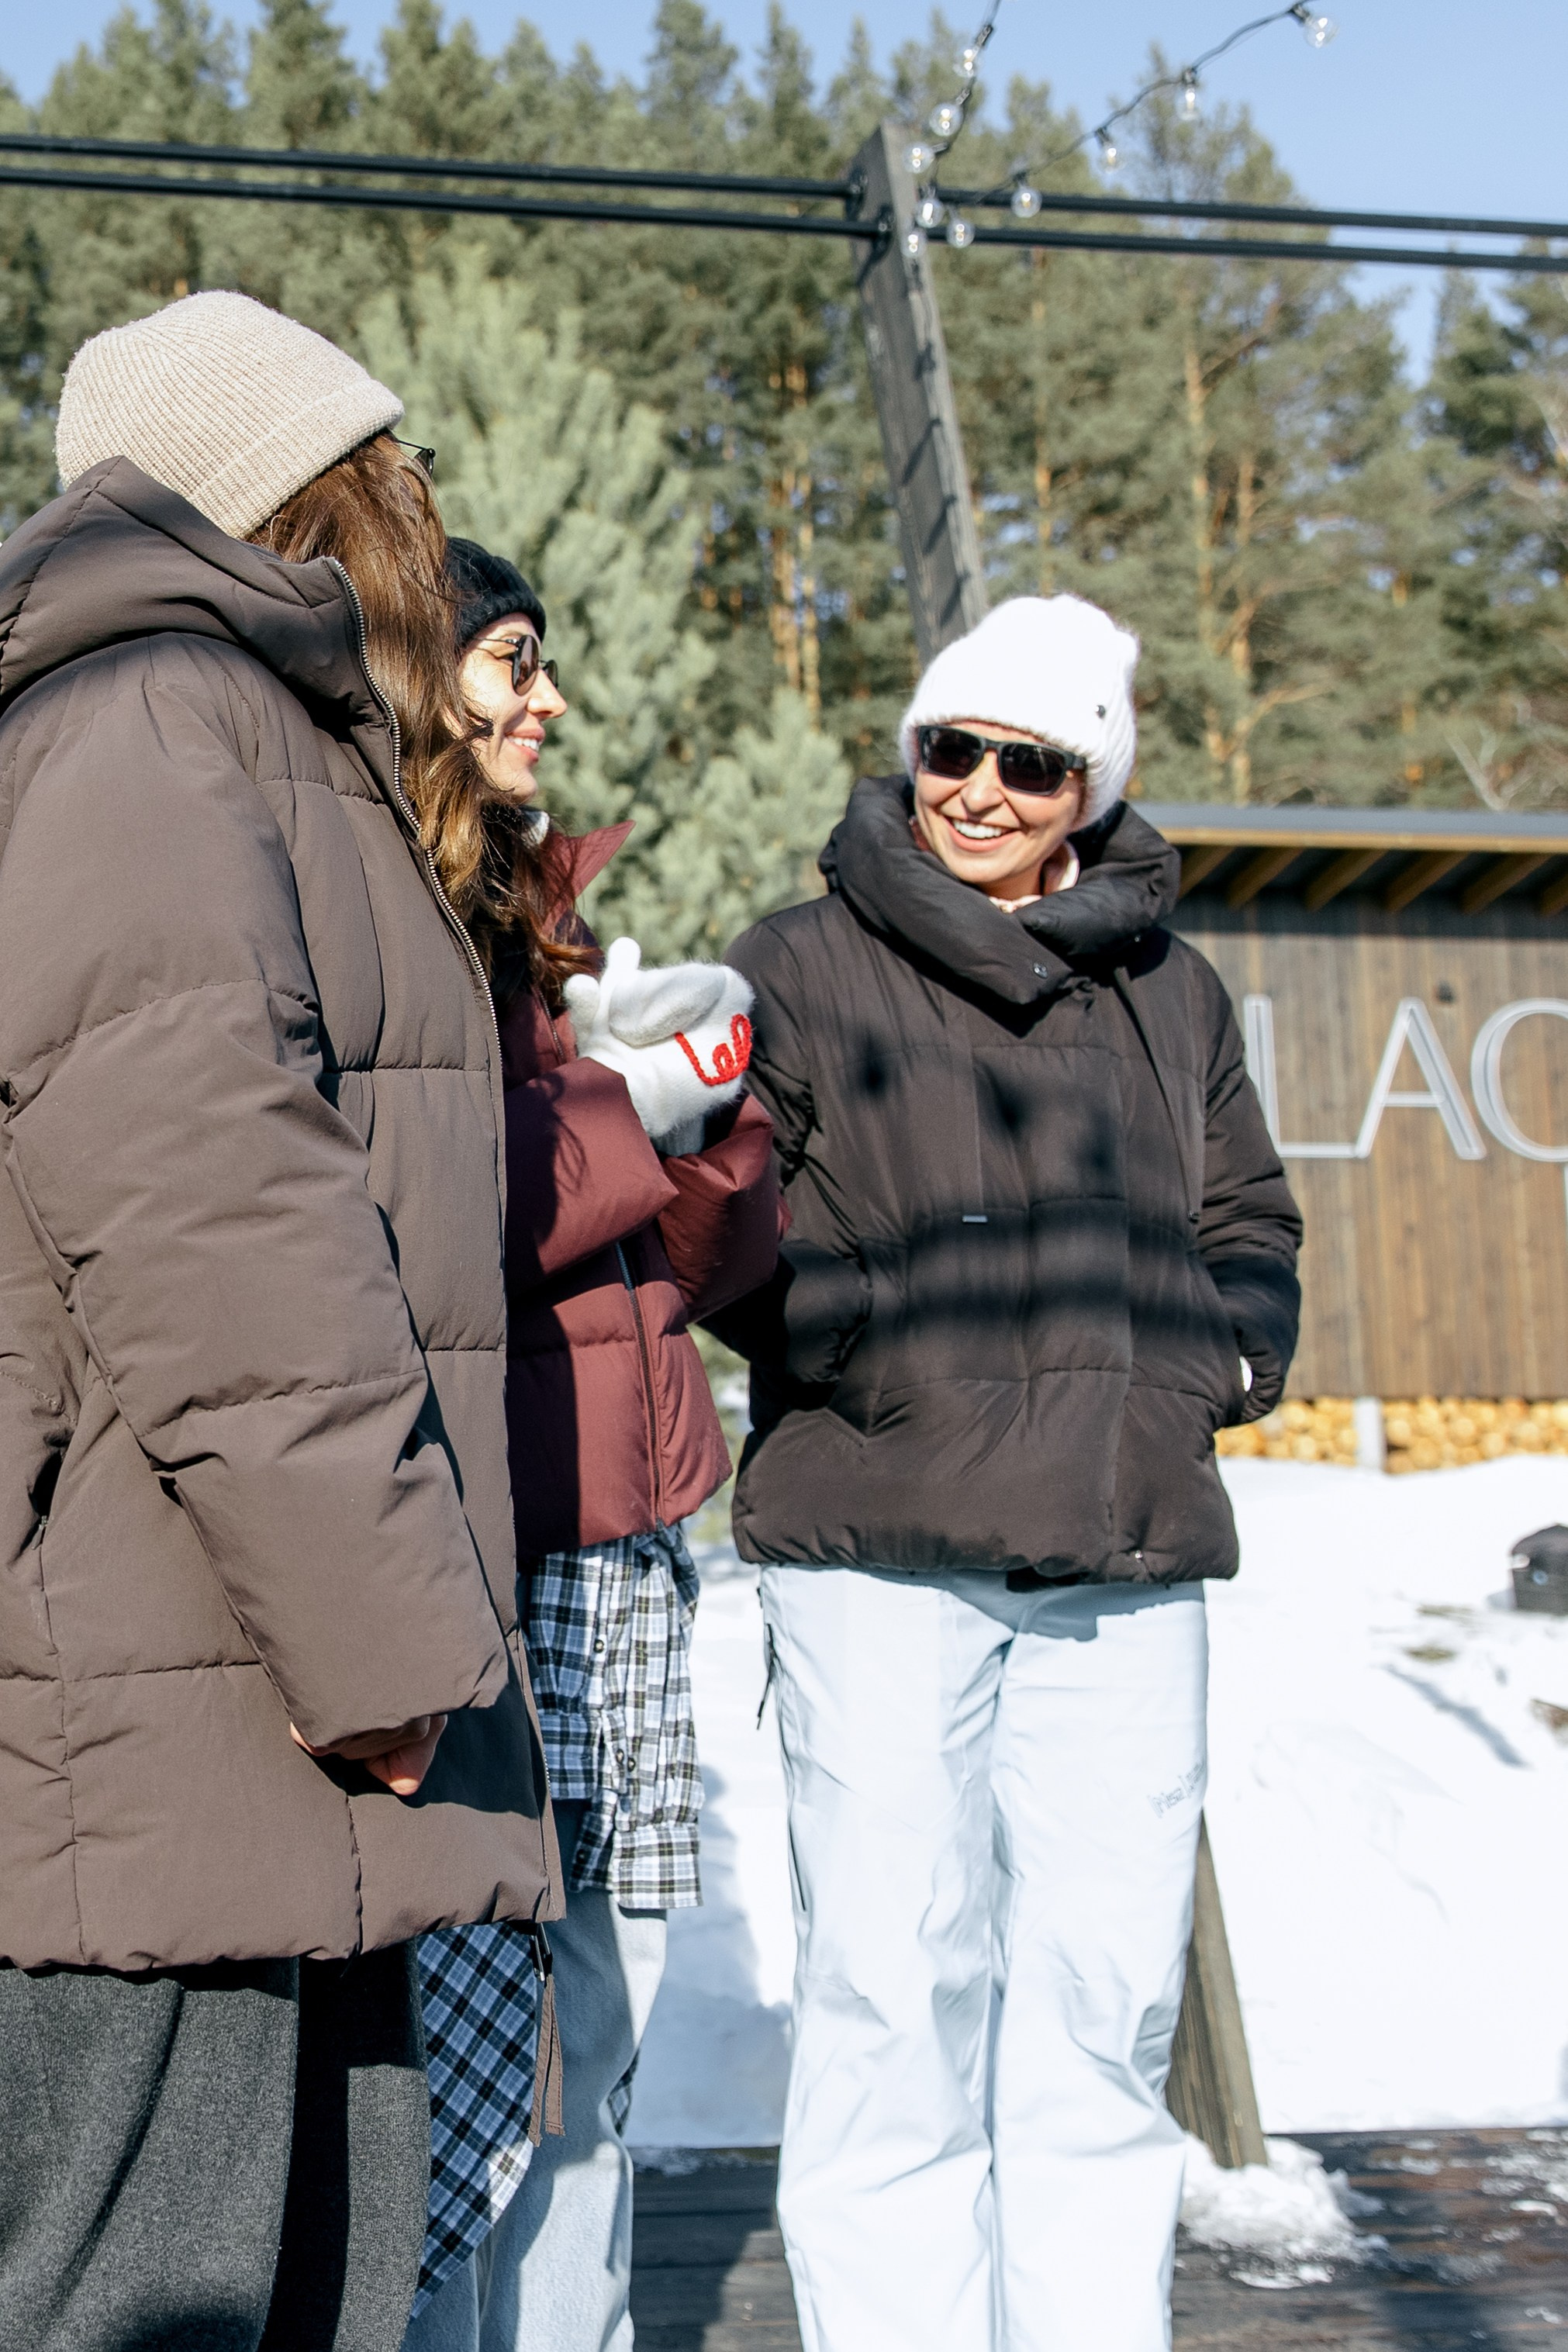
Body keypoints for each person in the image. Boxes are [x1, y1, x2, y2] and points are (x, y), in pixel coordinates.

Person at [0, 295, 561, 2352]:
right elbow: (212, 1216)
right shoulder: (148, 722)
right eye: (390, 468)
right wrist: (386, 1646)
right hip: (194, 1697)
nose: (425, 513)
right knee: (142, 2306)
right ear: (297, 489)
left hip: (277, 1690)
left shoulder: (251, 731)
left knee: (326, 2291)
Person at [717, 594, 1304, 2352]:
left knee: (1102, 2011)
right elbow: (734, 1231)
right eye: (948, 746)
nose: (974, 786)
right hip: (875, 1548)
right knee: (893, 1995)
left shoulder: (1172, 989)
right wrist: (882, 1339)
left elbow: (1248, 1218)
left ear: (1091, 788)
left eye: (1026, 761)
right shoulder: (800, 960)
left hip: (1124, 1563)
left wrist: (1213, 1365)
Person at [402, 540, 780, 2352]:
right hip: (493, 1536)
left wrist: (707, 1114)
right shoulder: (393, 905)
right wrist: (618, 1108)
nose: (546, 695)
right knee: (473, 2038)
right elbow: (447, 1201)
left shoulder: (538, 912)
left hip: (620, 1537)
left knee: (593, 2016)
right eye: (509, 660)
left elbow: (691, 1264)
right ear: (420, 674)